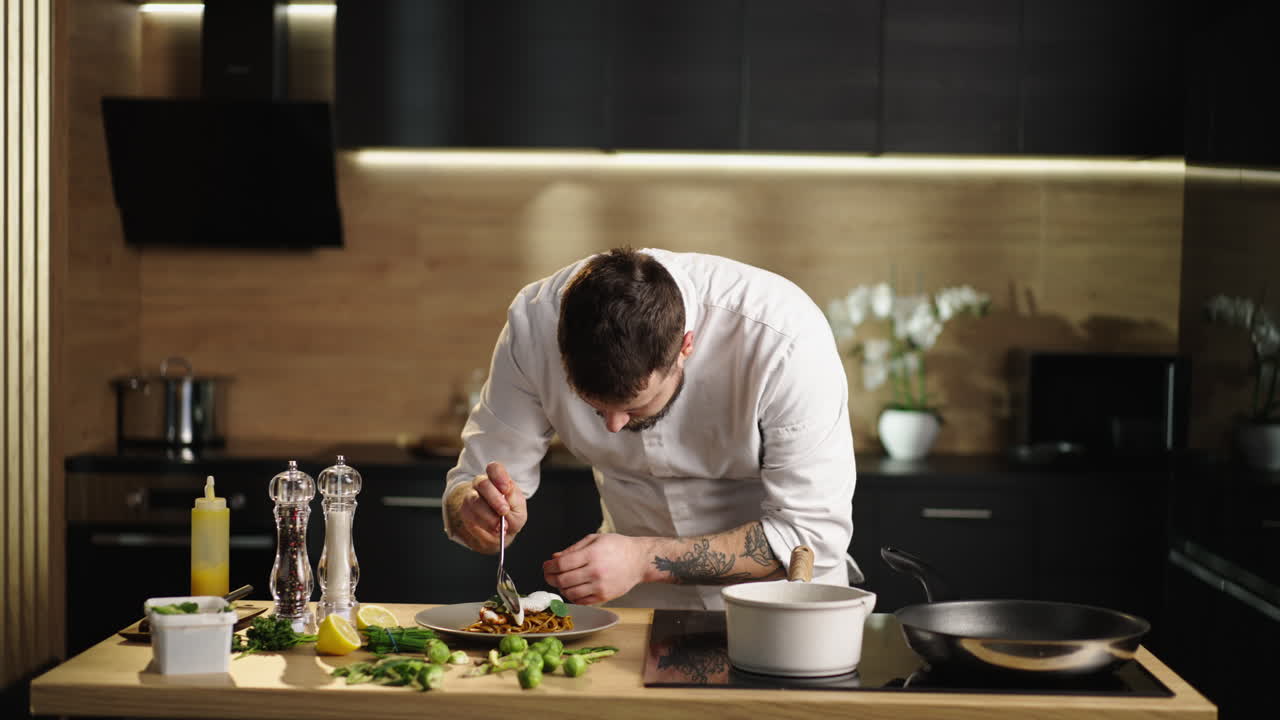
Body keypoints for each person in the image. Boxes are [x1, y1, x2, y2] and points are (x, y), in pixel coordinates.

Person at [442, 247, 860, 609]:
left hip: (783, 608)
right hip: (633, 608)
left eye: (633, 407)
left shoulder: (783, 339)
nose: (612, 427)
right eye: (592, 407)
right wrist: (477, 514)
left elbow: (809, 538)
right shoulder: (533, 328)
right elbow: (467, 488)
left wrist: (643, 560)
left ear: (685, 348)